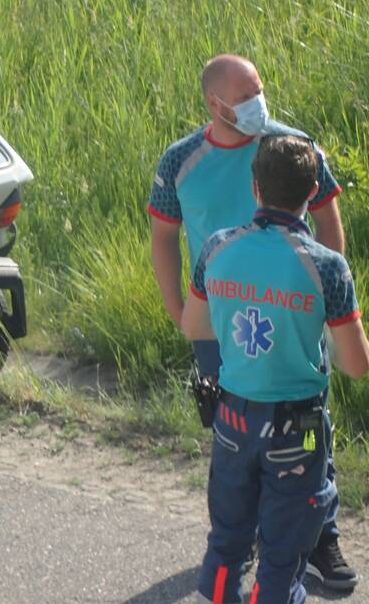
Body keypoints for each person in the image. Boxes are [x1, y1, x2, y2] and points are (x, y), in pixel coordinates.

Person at [148, 54, 356, 589]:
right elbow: (164, 238)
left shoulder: (291, 149)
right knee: (235, 439)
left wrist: (331, 297)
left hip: (294, 321)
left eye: (258, 88)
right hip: (219, 325)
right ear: (214, 104)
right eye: (244, 94)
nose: (256, 102)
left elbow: (329, 216)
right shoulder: (180, 162)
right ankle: (246, 540)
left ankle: (319, 535)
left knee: (309, 432)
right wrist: (181, 312)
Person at [182, 134, 369, 604]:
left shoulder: (217, 249)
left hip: (232, 422)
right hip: (299, 430)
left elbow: (195, 326)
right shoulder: (328, 267)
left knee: (227, 543)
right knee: (283, 555)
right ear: (311, 193)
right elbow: (356, 365)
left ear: (255, 187)